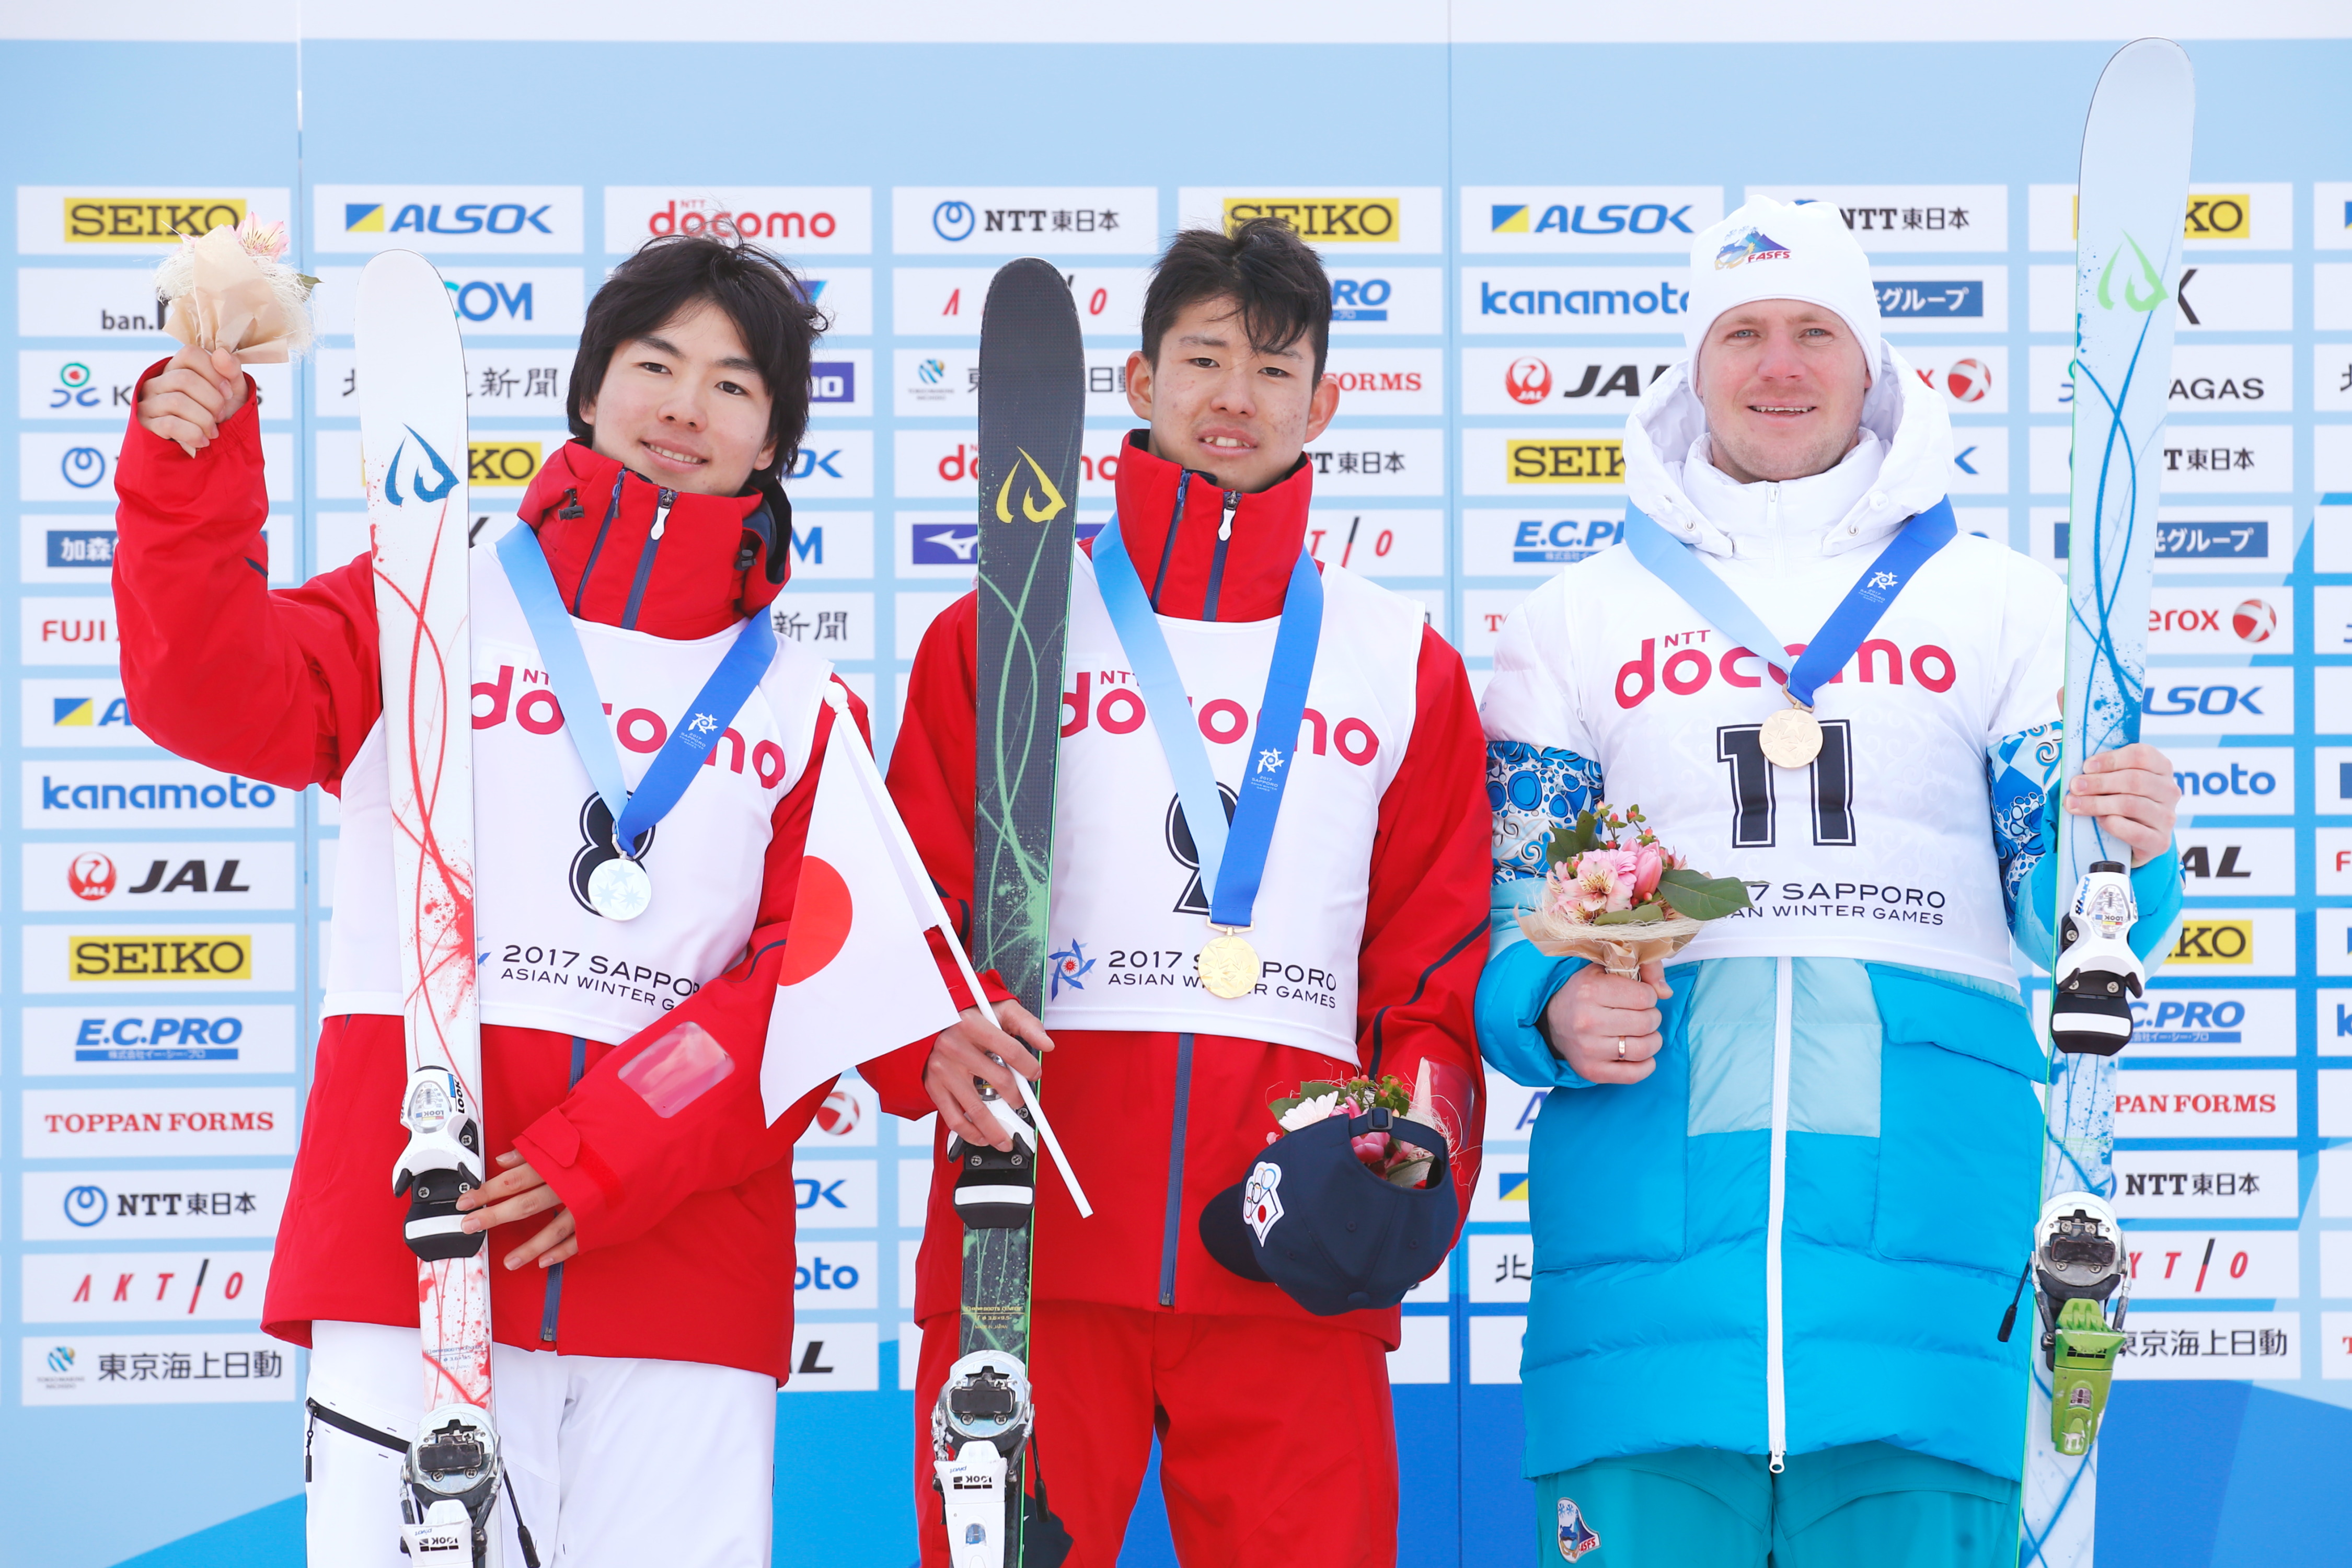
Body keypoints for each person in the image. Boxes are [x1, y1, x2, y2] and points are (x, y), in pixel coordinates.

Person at [118, 234, 942, 1566]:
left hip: (681, 1273)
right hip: (416, 1229)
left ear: (775, 439)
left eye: (735, 386)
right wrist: (188, 475)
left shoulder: (809, 705)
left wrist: (610, 1148)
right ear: (585, 393)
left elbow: (814, 976)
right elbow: (209, 689)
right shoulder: (426, 597)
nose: (686, 405)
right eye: (654, 364)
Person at [1475, 196, 2184, 1567]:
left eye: (1815, 330)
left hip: (1925, 1236)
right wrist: (1554, 1003)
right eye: (1741, 332)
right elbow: (1514, 915)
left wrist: (2131, 857)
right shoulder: (1574, 620)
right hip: (1645, 1251)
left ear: (1873, 367)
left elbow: (2065, 911)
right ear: (1692, 366)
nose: (1779, 364)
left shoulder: (2001, 602)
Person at [863, 217, 1490, 1567]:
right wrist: (923, 1044)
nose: (1232, 398)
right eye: (1201, 359)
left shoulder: (1401, 664)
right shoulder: (1005, 625)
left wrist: (1418, 1159)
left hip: (1290, 1252)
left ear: (1324, 404)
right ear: (1138, 385)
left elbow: (1430, 977)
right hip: (1026, 1247)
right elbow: (904, 909)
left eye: (1272, 370)